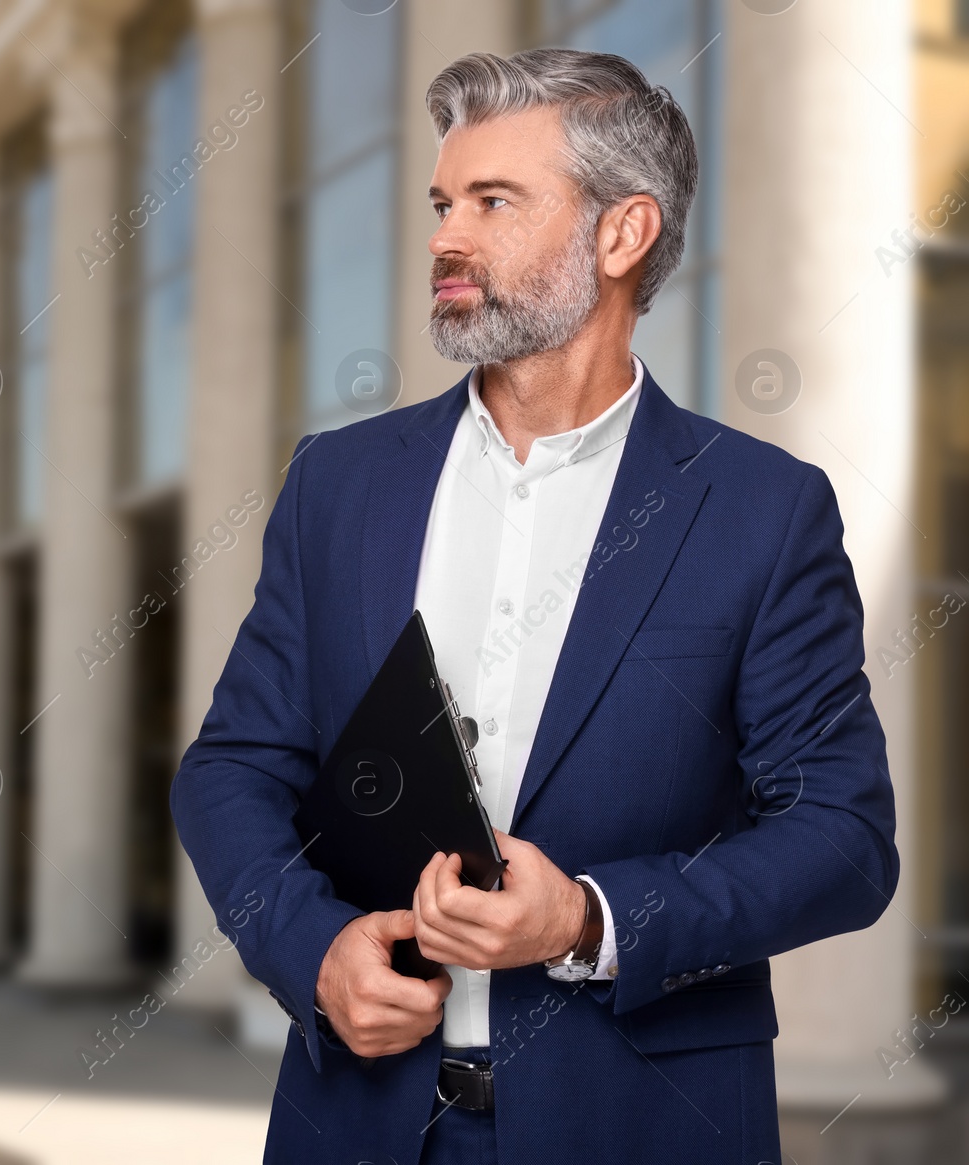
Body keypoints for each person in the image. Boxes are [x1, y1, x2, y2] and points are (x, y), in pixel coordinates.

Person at [170, 47, 898, 1165]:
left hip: (641, 1130)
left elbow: (842, 840)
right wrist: (311, 950)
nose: (442, 239)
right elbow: (232, 769)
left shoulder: (761, 510)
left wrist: (589, 920)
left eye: (492, 202)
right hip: (359, 1125)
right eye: (440, 203)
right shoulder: (338, 483)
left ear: (621, 234)